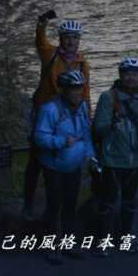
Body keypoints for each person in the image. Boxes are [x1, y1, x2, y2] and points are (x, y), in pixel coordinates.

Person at [23, 13, 91, 219]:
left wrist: (88, 119)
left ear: (79, 40)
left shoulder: (82, 63)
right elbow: (40, 41)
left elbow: (85, 93)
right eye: (67, 37)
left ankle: (62, 200)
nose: (71, 41)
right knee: (36, 157)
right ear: (61, 38)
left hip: (68, 114)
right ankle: (28, 202)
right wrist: (42, 23)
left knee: (66, 152)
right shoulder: (50, 54)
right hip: (46, 111)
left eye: (75, 38)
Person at [34, 69, 98, 265]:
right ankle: (50, 246)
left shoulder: (83, 108)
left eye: (80, 88)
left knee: (70, 204)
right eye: (73, 89)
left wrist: (92, 157)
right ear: (63, 90)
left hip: (74, 165)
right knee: (54, 205)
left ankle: (69, 243)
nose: (78, 92)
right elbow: (39, 137)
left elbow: (87, 135)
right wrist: (61, 142)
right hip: (54, 165)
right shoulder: (50, 110)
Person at [93, 57, 138, 247]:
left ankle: (125, 239)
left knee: (129, 202)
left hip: (136, 159)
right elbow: (98, 128)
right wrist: (112, 124)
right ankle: (103, 241)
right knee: (108, 202)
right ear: (121, 76)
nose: (131, 78)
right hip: (113, 159)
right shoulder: (108, 97)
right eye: (127, 74)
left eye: (134, 74)